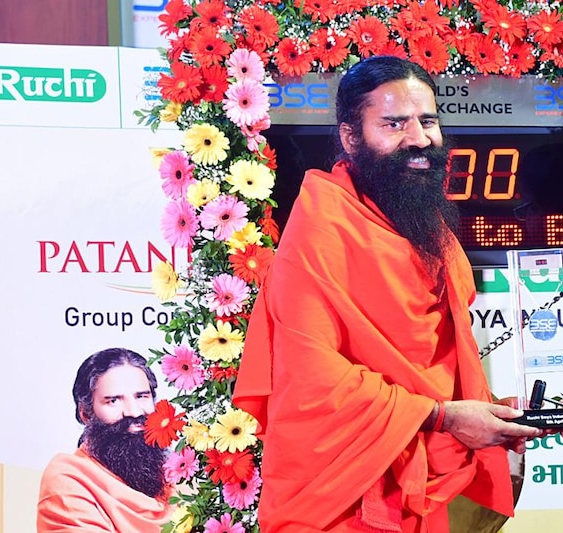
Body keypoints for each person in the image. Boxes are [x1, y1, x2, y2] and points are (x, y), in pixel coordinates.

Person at [232, 55, 541, 532]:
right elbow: (312, 380)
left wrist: (488, 410)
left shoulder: (426, 226)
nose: (418, 139)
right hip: (341, 490)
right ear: (351, 136)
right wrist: (443, 416)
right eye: (394, 124)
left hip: (430, 467)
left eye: (427, 121)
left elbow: (432, 364)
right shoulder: (321, 228)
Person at [37, 347, 172, 532]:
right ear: (86, 414)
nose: (134, 412)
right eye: (113, 401)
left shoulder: (169, 477)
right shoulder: (68, 479)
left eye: (141, 396)